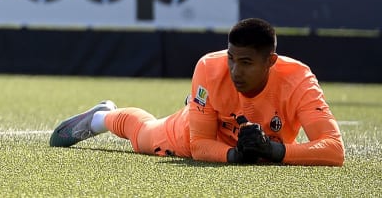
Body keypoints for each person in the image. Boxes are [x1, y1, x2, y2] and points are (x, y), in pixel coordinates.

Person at [49, 18, 344, 166]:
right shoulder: (209, 67)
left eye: (246, 63)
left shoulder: (300, 80)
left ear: (271, 61)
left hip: (245, 141)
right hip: (195, 134)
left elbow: (333, 149)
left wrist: (273, 151)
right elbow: (200, 145)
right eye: (231, 58)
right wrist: (235, 156)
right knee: (142, 137)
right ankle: (101, 118)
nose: (235, 71)